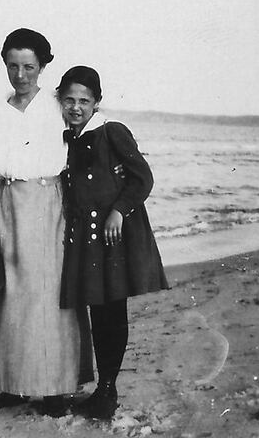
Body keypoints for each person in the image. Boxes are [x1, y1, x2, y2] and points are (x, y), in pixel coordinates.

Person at [0, 28, 80, 417]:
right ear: (5, 64)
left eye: (29, 66)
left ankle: (54, 388)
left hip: (50, 205)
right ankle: (13, 386)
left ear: (42, 66)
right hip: (8, 206)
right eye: (13, 66)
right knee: (10, 295)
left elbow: (91, 130)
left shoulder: (57, 105)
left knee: (50, 297)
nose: (21, 75)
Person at [57, 65, 170, 419]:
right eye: (70, 100)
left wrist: (119, 211)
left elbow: (142, 178)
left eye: (84, 101)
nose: (76, 107)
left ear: (97, 102)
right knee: (97, 311)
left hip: (114, 236)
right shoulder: (68, 138)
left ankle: (107, 389)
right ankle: (105, 390)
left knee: (112, 312)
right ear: (61, 100)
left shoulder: (112, 132)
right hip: (86, 241)